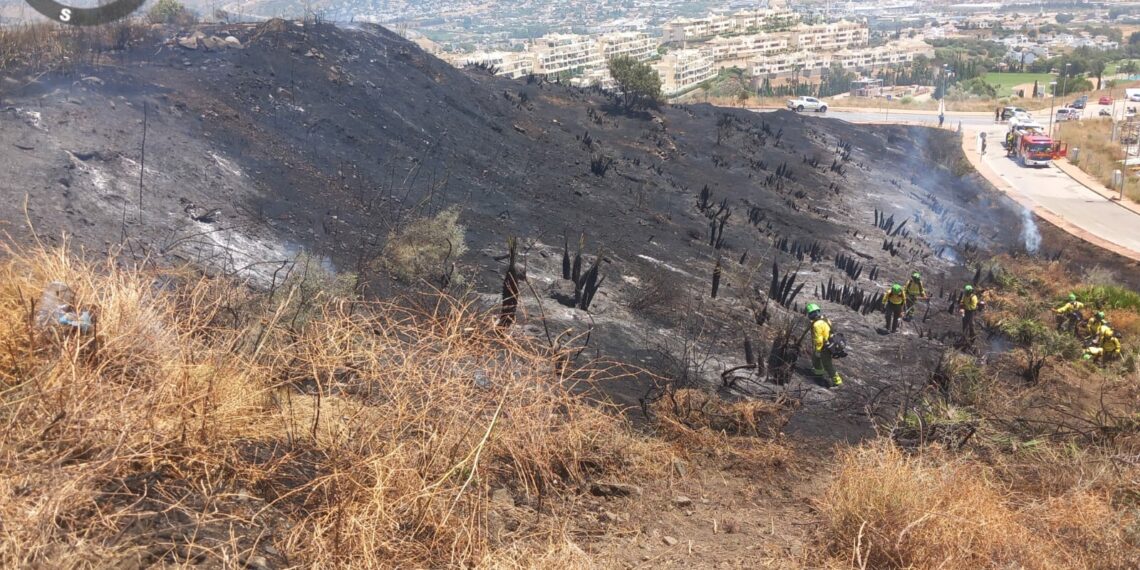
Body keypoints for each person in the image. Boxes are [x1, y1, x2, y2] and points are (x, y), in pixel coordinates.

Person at [806, 304, 842, 387]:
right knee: (815, 360)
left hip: (824, 347)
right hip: (829, 344)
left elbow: (819, 340)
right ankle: (819, 374)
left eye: (810, 313)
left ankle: (837, 382)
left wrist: (818, 351)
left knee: (827, 364)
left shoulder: (816, 325)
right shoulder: (825, 319)